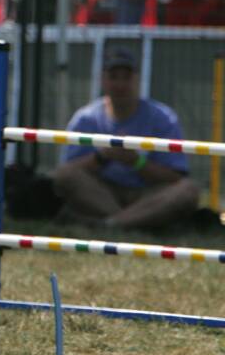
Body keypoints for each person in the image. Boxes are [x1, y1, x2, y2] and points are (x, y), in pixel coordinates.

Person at [53, 47, 199, 230]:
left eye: (126, 77)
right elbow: (67, 172)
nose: (120, 84)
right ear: (103, 80)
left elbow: (176, 176)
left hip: (148, 194)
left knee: (188, 189)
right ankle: (134, 221)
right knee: (64, 175)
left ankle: (110, 224)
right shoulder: (85, 118)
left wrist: (136, 161)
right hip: (102, 193)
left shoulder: (164, 118)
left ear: (137, 78)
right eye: (114, 76)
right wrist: (103, 157)